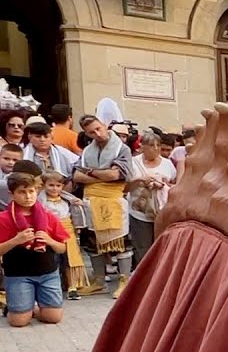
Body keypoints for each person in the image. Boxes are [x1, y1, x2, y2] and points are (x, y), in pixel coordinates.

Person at [0, 166, 70, 326]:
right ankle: (18, 308)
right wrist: (16, 241)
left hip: (47, 273)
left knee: (53, 318)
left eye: (31, 191)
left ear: (37, 191)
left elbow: (62, 248)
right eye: (22, 192)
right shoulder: (4, 219)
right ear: (12, 194)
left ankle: (31, 307)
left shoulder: (48, 216)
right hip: (18, 274)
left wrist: (49, 241)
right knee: (18, 322)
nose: (28, 196)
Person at [76, 115, 134, 299]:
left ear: (104, 125)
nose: (97, 134)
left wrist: (91, 173)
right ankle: (99, 281)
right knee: (93, 242)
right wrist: (104, 175)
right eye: (92, 132)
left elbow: (117, 174)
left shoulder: (121, 148)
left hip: (113, 200)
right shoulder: (87, 152)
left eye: (98, 128)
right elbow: (77, 176)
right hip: (91, 200)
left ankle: (124, 280)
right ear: (87, 134)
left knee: (121, 243)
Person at [127, 130, 177, 264]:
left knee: (161, 245)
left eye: (157, 145)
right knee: (142, 248)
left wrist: (164, 184)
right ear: (142, 147)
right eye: (150, 146)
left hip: (160, 211)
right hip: (139, 211)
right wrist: (139, 181)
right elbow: (124, 188)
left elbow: (173, 184)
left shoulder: (167, 164)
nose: (155, 149)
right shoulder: (133, 163)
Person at [37, 172, 89, 298]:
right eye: (51, 185)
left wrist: (77, 226)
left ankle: (72, 286)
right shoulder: (40, 201)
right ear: (44, 186)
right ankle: (53, 284)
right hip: (50, 231)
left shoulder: (67, 199)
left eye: (58, 185)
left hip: (67, 230)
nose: (55, 188)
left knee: (71, 258)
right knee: (53, 258)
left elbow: (74, 213)